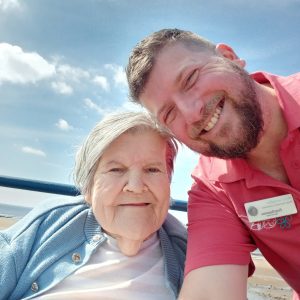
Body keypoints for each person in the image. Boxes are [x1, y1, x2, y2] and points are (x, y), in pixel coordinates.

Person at [126, 28, 300, 299]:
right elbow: (209, 290)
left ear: (230, 57)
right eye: (170, 113)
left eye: (191, 78)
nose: (192, 112)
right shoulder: (212, 189)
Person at [0, 111, 187, 300]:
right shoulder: (48, 225)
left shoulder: (188, 256)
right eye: (116, 169)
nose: (136, 187)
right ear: (88, 189)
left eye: (152, 169)